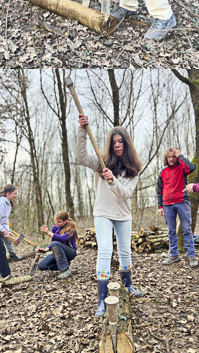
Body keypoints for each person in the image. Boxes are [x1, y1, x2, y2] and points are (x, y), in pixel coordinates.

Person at [77, 113, 144, 317]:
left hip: (123, 214)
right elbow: (81, 156)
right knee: (105, 250)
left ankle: (128, 285)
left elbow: (125, 195)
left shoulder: (134, 169)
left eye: (120, 141)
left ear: (126, 144)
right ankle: (101, 300)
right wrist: (82, 130)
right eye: (114, 142)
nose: (117, 145)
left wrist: (113, 180)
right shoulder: (101, 161)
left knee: (125, 252)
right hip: (103, 212)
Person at [157, 147, 197, 267]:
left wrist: (180, 155)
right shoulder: (163, 172)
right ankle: (174, 255)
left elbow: (192, 168)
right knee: (171, 231)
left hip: (182, 202)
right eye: (169, 157)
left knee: (187, 230)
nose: (171, 159)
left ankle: (191, 256)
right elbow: (159, 190)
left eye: (173, 156)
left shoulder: (182, 168)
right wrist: (160, 206)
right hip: (168, 205)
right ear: (166, 158)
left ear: (177, 157)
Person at [37, 211, 78, 278]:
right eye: (56, 221)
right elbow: (53, 242)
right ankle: (65, 264)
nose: (56, 223)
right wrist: (46, 249)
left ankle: (65, 270)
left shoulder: (70, 228)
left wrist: (48, 233)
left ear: (65, 221)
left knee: (55, 243)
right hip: (59, 252)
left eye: (59, 222)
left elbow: (64, 238)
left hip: (70, 252)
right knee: (41, 265)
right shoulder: (55, 228)